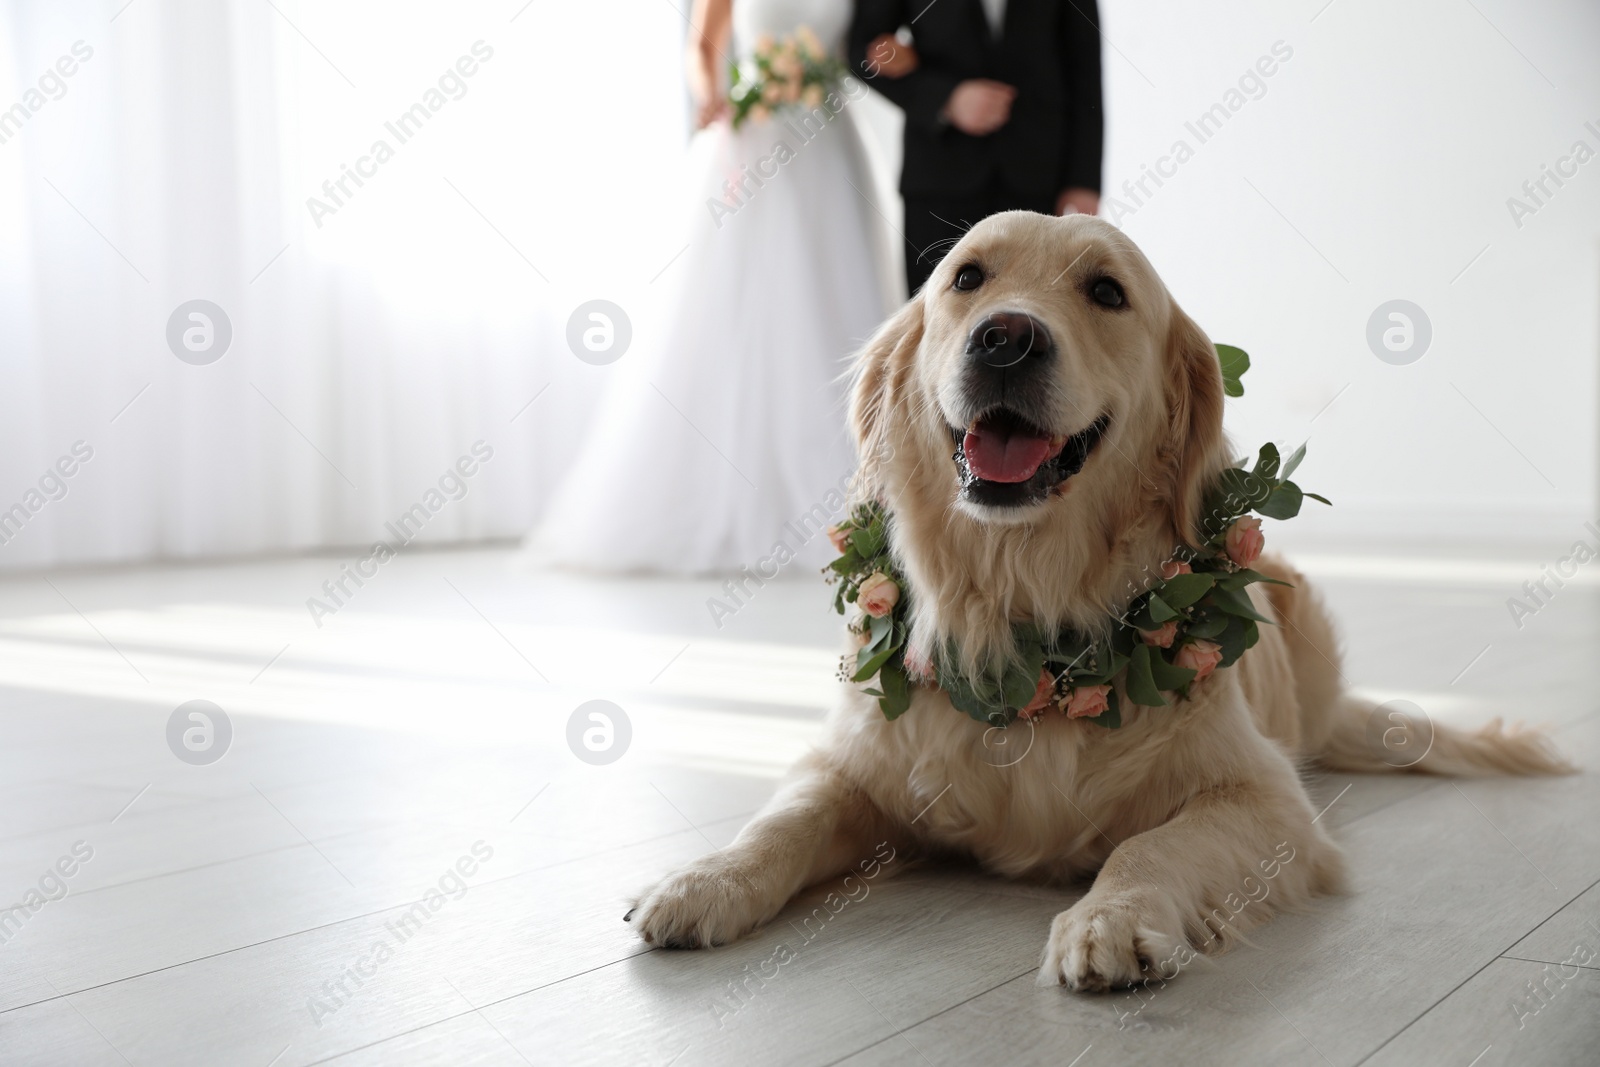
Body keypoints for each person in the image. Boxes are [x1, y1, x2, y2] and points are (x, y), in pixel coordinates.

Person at [524, 0, 900, 575]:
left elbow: (870, 44)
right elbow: (703, 47)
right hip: (751, 134)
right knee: (730, 307)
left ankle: (860, 502)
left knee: (833, 301)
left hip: (827, 137)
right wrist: (711, 98)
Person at [849, 0, 1104, 293]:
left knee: (1033, 318)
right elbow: (861, 50)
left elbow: (1085, 66)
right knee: (933, 325)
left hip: (1039, 176)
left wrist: (1083, 180)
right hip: (939, 179)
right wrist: (946, 99)